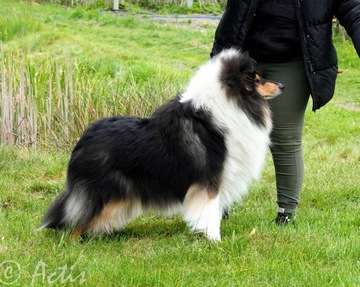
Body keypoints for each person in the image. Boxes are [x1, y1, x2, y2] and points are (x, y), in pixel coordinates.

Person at [210, 0, 360, 225]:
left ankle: (285, 212)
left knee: (284, 138)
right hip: (241, 56)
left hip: (293, 61)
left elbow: (354, 10)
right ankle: (218, 204)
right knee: (226, 134)